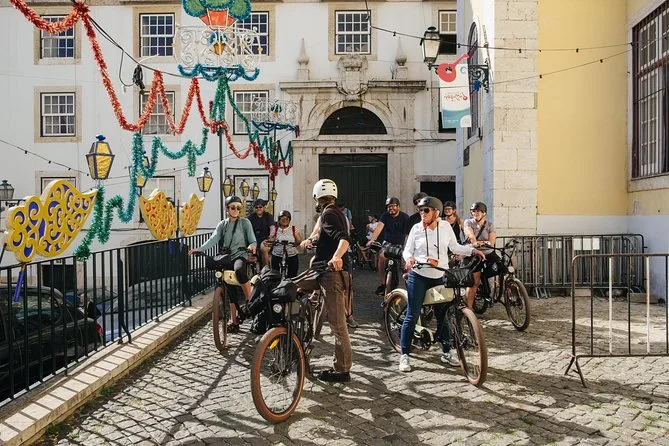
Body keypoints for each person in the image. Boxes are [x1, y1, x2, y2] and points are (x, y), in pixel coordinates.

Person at [399, 196, 485, 372]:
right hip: (419, 275)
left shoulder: (445, 227)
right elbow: (407, 251)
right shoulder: (416, 228)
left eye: (426, 210)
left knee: (442, 315)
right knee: (412, 315)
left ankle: (446, 352)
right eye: (420, 210)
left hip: (439, 276)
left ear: (436, 213)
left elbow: (455, 247)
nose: (422, 213)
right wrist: (409, 259)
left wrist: (472, 250)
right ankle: (405, 355)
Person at [300, 179, 353, 382]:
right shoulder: (331, 213)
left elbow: (344, 238)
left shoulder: (329, 214)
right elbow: (318, 231)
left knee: (338, 324)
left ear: (317, 198)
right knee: (294, 288)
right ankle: (301, 334)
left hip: (331, 275)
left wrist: (337, 256)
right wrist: (309, 240)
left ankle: (342, 370)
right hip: (321, 272)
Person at [188, 196, 257, 332]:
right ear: (227, 208)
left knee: (239, 270)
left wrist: (252, 246)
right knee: (230, 290)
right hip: (226, 257)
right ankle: (234, 321)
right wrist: (199, 249)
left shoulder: (245, 223)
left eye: (238, 207)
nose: (236, 210)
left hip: (240, 255)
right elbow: (213, 239)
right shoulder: (222, 224)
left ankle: (250, 300)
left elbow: (253, 240)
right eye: (233, 207)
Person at [366, 197, 410, 295]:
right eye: (389, 206)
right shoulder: (385, 216)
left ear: (398, 207)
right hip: (388, 243)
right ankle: (382, 284)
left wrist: (407, 247)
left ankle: (409, 285)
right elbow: (379, 228)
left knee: (405, 265)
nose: (391, 208)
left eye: (393, 206)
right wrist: (372, 240)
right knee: (381, 257)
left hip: (401, 244)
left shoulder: (405, 217)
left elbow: (408, 234)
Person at [463, 201, 497, 309]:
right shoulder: (468, 222)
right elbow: (472, 238)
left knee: (502, 266)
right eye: (474, 211)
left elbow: (491, 242)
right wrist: (477, 242)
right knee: (474, 283)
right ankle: (469, 309)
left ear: (484, 213)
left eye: (479, 211)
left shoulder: (490, 225)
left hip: (487, 252)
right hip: (473, 253)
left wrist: (483, 243)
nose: (476, 213)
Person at [265, 210, 303, 278]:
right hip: (277, 254)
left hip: (291, 254)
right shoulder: (275, 229)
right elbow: (271, 238)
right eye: (282, 219)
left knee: (293, 275)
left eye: (286, 219)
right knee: (274, 274)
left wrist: (295, 244)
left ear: (289, 220)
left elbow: (299, 240)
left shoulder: (293, 229)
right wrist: (270, 241)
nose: (285, 220)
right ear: (279, 220)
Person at [249, 198, 275, 267]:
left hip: (265, 239)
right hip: (253, 239)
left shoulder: (268, 216)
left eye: (260, 207)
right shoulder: (251, 217)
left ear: (264, 207)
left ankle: (265, 268)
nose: (258, 209)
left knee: (263, 248)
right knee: (247, 251)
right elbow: (247, 229)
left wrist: (270, 237)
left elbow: (272, 228)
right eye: (256, 207)